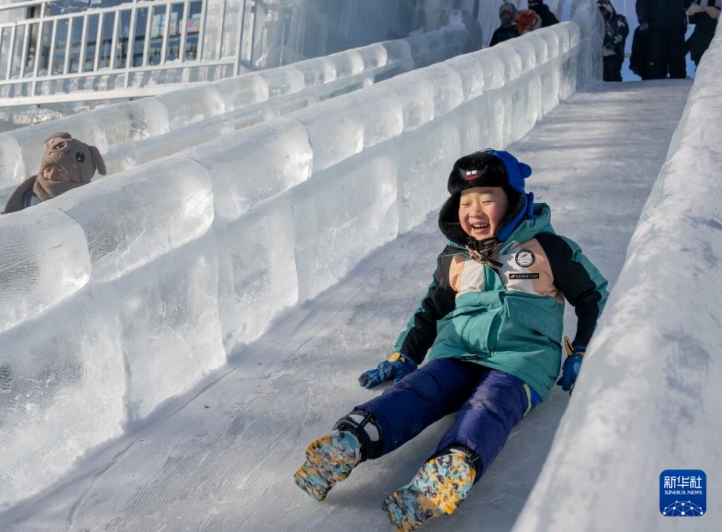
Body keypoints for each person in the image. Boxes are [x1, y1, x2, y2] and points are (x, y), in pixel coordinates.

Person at [293, 149, 608, 531]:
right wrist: (404, 355)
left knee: (490, 406)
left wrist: (586, 349)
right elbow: (431, 309)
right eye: (465, 201)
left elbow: (594, 296)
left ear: (513, 201)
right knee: (417, 390)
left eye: (487, 200)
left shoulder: (546, 249)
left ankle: (449, 470)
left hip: (522, 362)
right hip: (457, 353)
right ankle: (353, 440)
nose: (474, 211)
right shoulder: (456, 257)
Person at [0, 132, 106, 228]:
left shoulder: (80, 205)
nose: (51, 176)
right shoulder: (28, 197)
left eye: (61, 172)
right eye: (48, 169)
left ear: (78, 178)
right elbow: (0, 223)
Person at [636, 0, 690, 79]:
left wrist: (685, 21)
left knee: (678, 65)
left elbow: (690, 4)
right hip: (656, 30)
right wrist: (643, 21)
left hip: (677, 30)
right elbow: (641, 3)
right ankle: (654, 89)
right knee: (656, 65)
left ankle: (679, 88)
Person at [598, 0, 630, 81]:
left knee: (613, 73)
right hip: (602, 54)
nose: (602, 14)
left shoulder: (619, 18)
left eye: (603, 11)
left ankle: (616, 90)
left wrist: (614, 41)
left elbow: (623, 31)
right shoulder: (598, 23)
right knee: (603, 76)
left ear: (609, 9)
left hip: (616, 53)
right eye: (600, 11)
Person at [686, 0, 719, 67]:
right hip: (700, 48)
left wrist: (718, 14)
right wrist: (690, 12)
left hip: (717, 49)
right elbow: (693, 18)